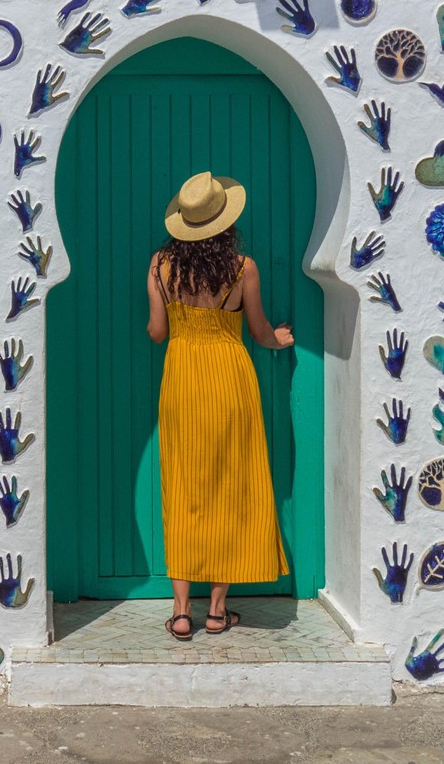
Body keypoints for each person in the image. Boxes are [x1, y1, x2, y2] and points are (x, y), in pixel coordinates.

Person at [146, 171, 293, 640]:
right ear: (225, 222)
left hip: (183, 380)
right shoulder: (242, 267)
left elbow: (157, 332)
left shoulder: (160, 266)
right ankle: (216, 610)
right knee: (232, 487)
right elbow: (260, 330)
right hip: (230, 378)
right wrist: (280, 340)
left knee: (183, 489)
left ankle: (181, 611)